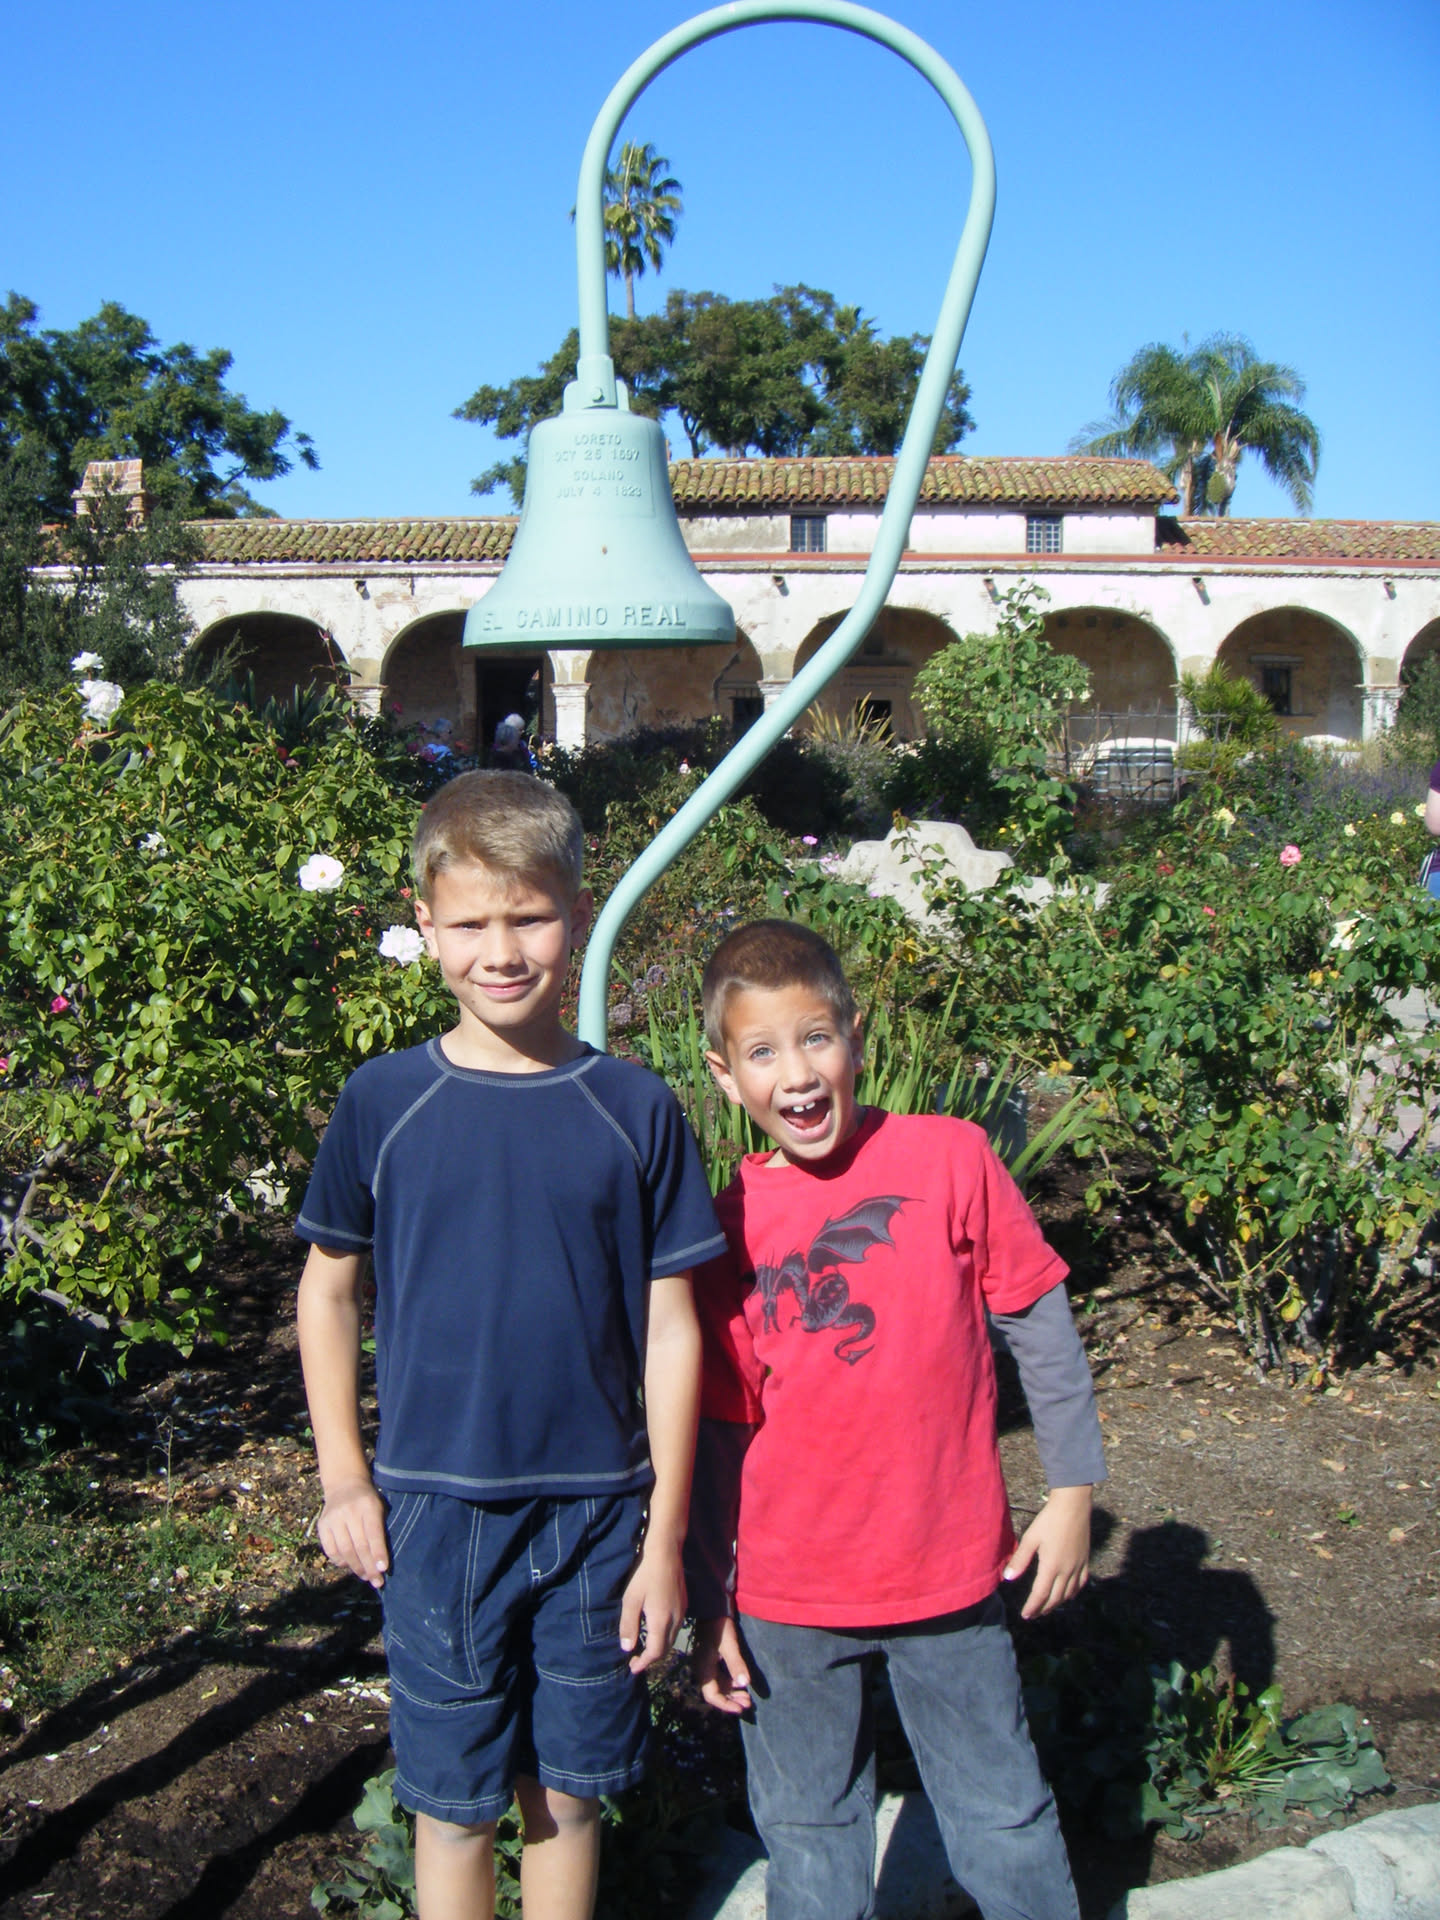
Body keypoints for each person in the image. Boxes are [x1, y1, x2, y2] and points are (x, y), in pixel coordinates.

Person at [295, 770, 726, 1920]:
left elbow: (673, 1330)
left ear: (576, 916)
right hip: (434, 1518)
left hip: (601, 1520)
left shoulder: (634, 1108)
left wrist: (665, 1539)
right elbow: (327, 1294)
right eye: (471, 922)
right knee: (454, 1810)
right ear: (424, 922)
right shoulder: (383, 1102)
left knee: (569, 1801)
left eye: (529, 917)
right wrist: (343, 1477)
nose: (501, 950)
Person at [686, 919, 1106, 1920]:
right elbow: (719, 1432)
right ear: (725, 1077)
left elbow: (1039, 1324)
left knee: (1000, 1811)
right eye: (762, 1052)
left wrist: (1073, 1492)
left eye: (816, 1038)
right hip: (786, 1594)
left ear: (856, 1038)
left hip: (947, 1569)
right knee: (808, 1828)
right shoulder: (727, 1226)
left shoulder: (950, 1157)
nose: (797, 1073)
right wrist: (712, 1598)